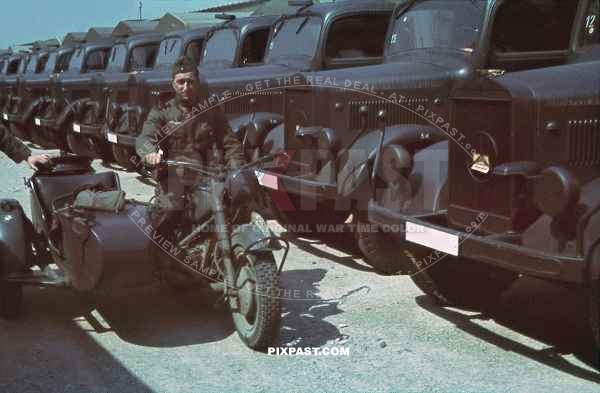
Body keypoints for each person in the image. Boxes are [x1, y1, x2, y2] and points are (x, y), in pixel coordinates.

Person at [136, 56, 245, 234]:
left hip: (208, 174)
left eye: (190, 81)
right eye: (181, 82)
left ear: (197, 83)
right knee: (170, 211)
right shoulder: (162, 111)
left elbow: (230, 142)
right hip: (173, 176)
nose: (186, 87)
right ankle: (162, 252)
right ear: (173, 84)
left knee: (238, 205)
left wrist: (236, 168)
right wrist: (150, 153)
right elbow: (144, 138)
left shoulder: (211, 110)